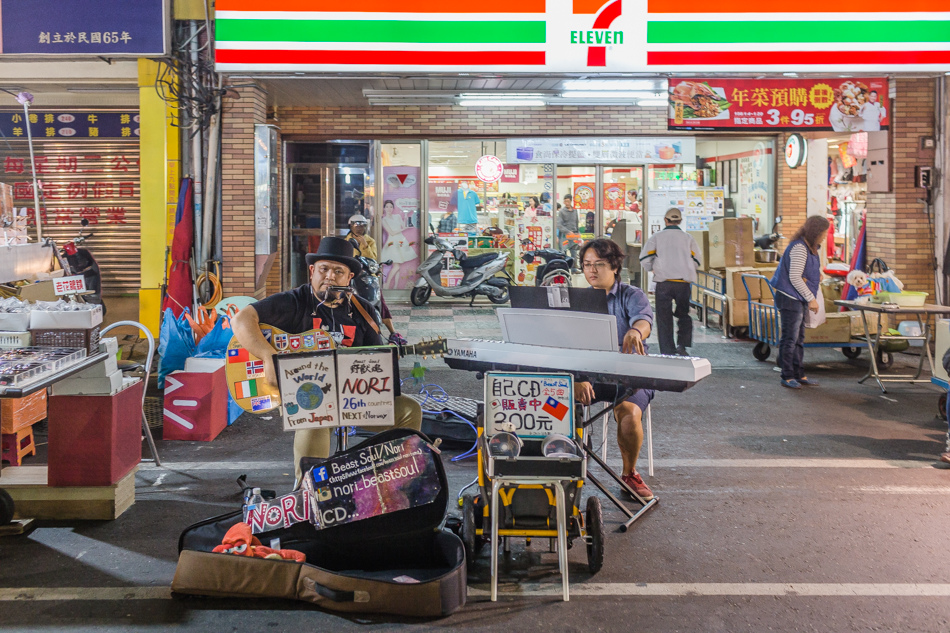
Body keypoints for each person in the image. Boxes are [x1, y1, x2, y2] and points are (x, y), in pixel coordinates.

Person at [231, 236, 422, 482]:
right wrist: (269, 357)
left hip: (353, 397)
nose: (330, 276)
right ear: (312, 271)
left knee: (410, 410)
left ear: (349, 278)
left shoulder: (364, 311)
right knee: (317, 415)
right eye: (324, 269)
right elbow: (241, 320)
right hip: (306, 396)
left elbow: (378, 365)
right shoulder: (295, 301)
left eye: (338, 271)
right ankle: (307, 493)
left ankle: (391, 484)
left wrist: (383, 366)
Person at [573, 238, 656, 501]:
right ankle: (558, 470)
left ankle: (629, 473)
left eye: (599, 264)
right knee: (553, 401)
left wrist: (635, 331)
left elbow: (644, 320)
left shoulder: (631, 295)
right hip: (587, 373)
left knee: (629, 413)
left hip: (627, 374)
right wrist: (576, 378)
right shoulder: (575, 299)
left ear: (615, 267)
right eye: (587, 265)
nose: (592, 270)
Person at [770, 215, 830, 389]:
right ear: (815, 232)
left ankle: (799, 373)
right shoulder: (799, 248)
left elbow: (804, 271)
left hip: (798, 297)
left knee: (799, 338)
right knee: (790, 338)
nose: (825, 236)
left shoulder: (810, 247)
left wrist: (814, 276)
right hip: (790, 298)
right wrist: (811, 299)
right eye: (824, 233)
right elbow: (795, 277)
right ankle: (787, 375)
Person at [640, 208, 702, 356]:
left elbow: (644, 259)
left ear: (665, 220)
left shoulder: (657, 237)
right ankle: (682, 345)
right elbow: (697, 260)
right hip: (683, 284)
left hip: (664, 283)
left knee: (663, 318)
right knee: (684, 315)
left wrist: (653, 268)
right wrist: (686, 268)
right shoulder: (688, 238)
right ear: (680, 221)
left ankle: (667, 350)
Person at [345, 214, 407, 346]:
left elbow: (373, 257)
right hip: (351, 277)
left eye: (362, 225)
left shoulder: (370, 241)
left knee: (380, 302)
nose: (359, 228)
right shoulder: (346, 241)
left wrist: (365, 245)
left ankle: (393, 332)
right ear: (350, 226)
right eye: (356, 225)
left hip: (368, 277)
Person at [380, 199, 416, 290]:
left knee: (397, 265)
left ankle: (395, 286)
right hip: (392, 242)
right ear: (384, 208)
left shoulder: (397, 216)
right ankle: (387, 284)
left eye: (391, 207)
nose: (389, 208)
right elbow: (391, 232)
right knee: (396, 265)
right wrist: (403, 229)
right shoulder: (384, 219)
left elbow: (403, 225)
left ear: (393, 208)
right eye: (387, 206)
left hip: (400, 241)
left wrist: (406, 216)